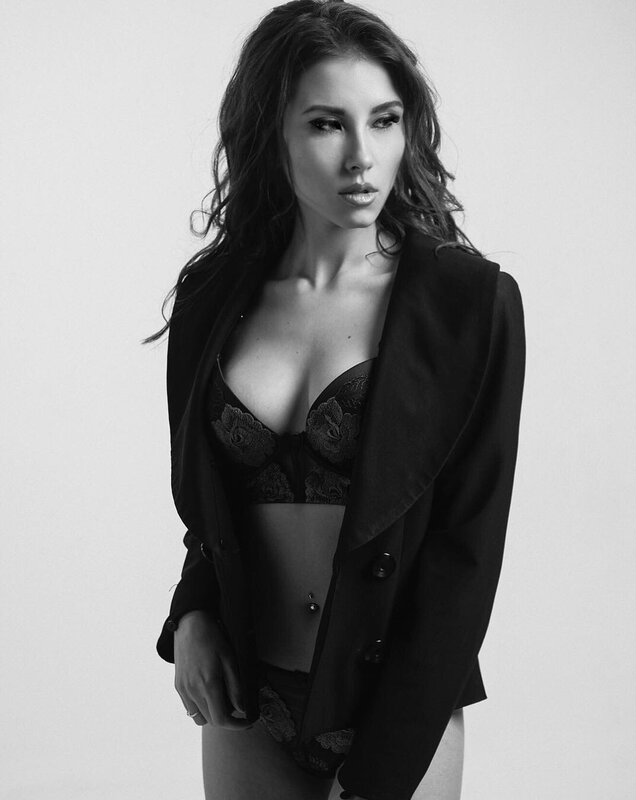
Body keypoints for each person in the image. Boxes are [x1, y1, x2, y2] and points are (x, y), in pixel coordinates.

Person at [144, 1, 526, 798]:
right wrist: (193, 614)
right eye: (326, 124)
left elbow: (463, 558)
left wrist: (380, 774)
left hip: (398, 705)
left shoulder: (468, 304)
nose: (362, 156)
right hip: (248, 700)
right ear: (271, 135)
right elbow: (209, 509)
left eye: (384, 121)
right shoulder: (213, 297)